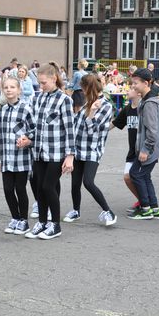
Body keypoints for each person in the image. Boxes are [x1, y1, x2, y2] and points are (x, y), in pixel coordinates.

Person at [20, 63, 75, 239]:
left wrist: (70, 156)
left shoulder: (64, 100)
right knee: (39, 187)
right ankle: (42, 222)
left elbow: (70, 129)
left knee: (48, 186)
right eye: (39, 83)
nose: (41, 86)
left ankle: (55, 225)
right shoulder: (38, 98)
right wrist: (27, 137)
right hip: (39, 151)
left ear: (54, 79)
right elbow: (36, 126)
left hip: (56, 152)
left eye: (43, 83)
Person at [64, 73, 116, 226]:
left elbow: (93, 130)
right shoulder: (87, 103)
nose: (82, 91)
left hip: (92, 150)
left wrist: (92, 113)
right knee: (75, 183)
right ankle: (76, 210)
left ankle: (108, 211)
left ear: (88, 88)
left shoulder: (105, 106)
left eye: (82, 88)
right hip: (78, 149)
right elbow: (75, 125)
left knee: (88, 182)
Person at [0, 76, 35, 235]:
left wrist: (27, 140)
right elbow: (1, 137)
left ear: (19, 90)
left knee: (20, 189)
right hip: (7, 157)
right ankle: (15, 217)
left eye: (12, 87)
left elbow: (34, 130)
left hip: (22, 157)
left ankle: (24, 220)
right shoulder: (2, 110)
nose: (9, 90)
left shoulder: (26, 108)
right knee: (7, 189)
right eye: (6, 87)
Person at [129, 68, 159, 220]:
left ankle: (146, 209)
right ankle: (154, 208)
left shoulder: (150, 103)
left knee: (135, 174)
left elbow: (152, 130)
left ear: (146, 83)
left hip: (150, 148)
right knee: (145, 176)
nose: (133, 86)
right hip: (153, 147)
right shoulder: (149, 100)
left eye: (136, 83)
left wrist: (145, 149)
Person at [111, 85, 142, 215]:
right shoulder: (127, 109)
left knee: (137, 178)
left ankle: (146, 203)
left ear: (139, 93)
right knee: (128, 178)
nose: (127, 91)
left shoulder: (144, 108)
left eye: (131, 89)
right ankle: (142, 201)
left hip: (142, 150)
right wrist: (98, 130)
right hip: (132, 151)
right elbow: (115, 123)